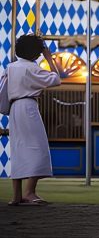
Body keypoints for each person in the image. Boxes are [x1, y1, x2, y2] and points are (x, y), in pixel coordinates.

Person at [4, 34, 61, 206]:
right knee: (38, 148)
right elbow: (56, 79)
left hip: (14, 108)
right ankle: (29, 192)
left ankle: (16, 196)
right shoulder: (32, 68)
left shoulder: (10, 67)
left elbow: (4, 90)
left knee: (18, 149)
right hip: (28, 107)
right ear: (35, 52)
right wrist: (49, 59)